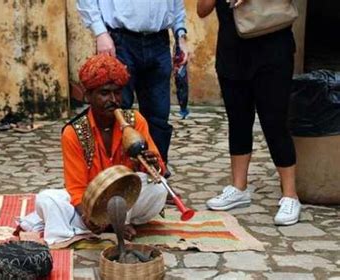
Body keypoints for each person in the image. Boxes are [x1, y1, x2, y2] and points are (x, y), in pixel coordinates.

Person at [18, 54, 169, 245]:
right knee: (46, 200)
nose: (113, 99)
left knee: (158, 186)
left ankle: (111, 223)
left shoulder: (135, 121)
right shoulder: (74, 132)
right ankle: (107, 226)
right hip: (91, 203)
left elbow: (156, 171)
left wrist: (153, 164)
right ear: (88, 96)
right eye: (104, 93)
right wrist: (90, 217)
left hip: (125, 199)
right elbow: (75, 188)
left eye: (117, 92)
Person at [197, 0, 301, 225]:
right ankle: (238, 187)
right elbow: (202, 10)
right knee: (238, 120)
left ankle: (290, 195)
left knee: (275, 122)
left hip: (274, 51)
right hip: (232, 53)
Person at [76, 0, 190, 167]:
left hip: (159, 41)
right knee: (115, 112)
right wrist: (100, 32)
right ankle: (116, 174)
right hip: (119, 41)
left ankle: (156, 173)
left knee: (158, 116)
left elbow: (175, 3)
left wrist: (180, 34)